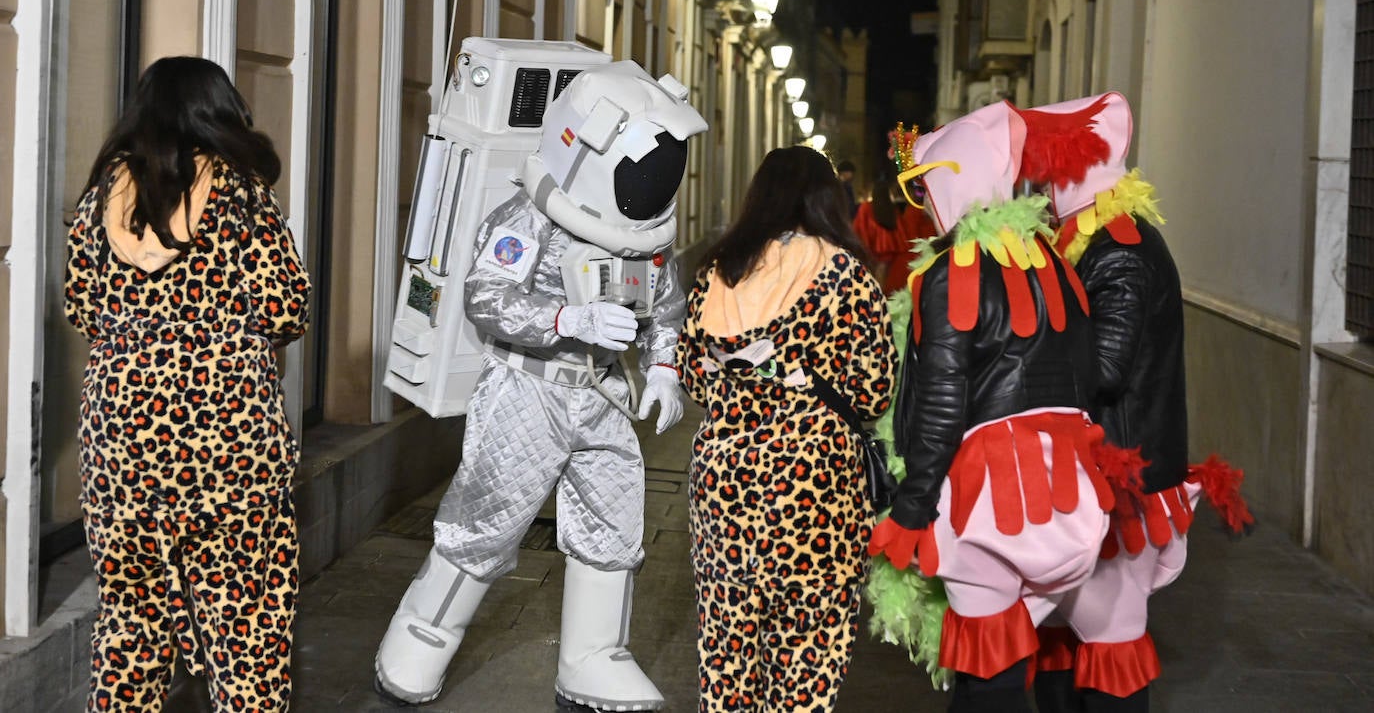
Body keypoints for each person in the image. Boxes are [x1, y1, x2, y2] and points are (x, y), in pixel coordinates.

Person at [373, 60, 708, 711]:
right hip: (527, 392)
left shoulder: (645, 243)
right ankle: (421, 638)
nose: (655, 179)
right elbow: (486, 298)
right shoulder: (530, 218)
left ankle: (594, 657)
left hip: (603, 394)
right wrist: (566, 318)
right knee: (486, 519)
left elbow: (666, 311)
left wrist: (665, 370)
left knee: (613, 528)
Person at [63, 56, 311, 712]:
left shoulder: (100, 199)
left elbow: (81, 308)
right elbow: (286, 306)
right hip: (229, 432)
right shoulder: (243, 194)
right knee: (246, 616)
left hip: (121, 433)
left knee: (129, 618)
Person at [867, 101, 1122, 713]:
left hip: (991, 501)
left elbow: (941, 401)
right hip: (1070, 492)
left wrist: (912, 505)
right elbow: (1090, 377)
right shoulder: (1056, 260)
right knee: (1017, 665)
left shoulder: (951, 270)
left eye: (927, 186)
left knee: (989, 677)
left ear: (954, 180)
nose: (925, 204)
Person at [1017, 93, 1251, 713]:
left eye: (1049, 166)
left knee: (1111, 643)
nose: (1040, 181)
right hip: (1091, 474)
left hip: (1119, 479)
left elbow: (1104, 369)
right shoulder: (1084, 239)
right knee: (1067, 639)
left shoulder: (1118, 245)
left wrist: (1012, 364)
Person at [675, 145, 896, 713]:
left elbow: (693, 377)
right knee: (808, 645)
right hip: (816, 485)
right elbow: (874, 391)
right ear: (827, 200)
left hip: (724, 481)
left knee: (727, 643)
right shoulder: (846, 278)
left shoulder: (717, 272)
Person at [852, 168, 938, 295]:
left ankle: (875, 296)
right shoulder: (893, 209)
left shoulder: (866, 208)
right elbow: (902, 231)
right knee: (884, 276)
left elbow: (859, 228)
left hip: (873, 249)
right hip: (891, 250)